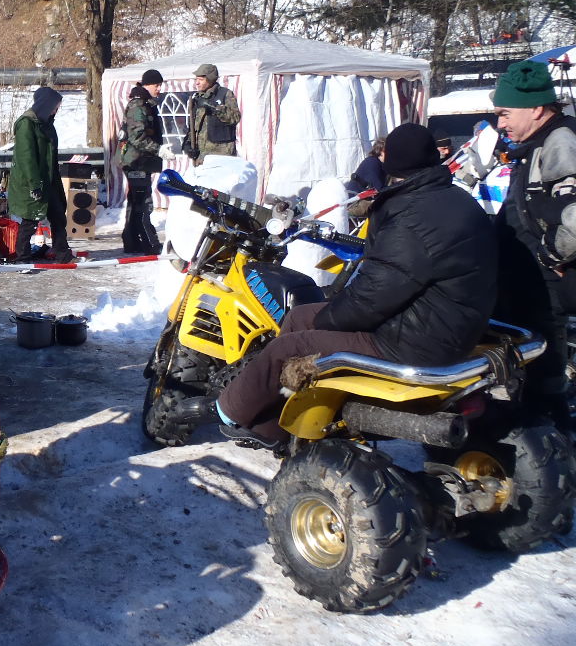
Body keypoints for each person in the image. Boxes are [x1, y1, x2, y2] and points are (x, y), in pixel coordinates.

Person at [187, 124, 498, 448]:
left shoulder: (412, 218)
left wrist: (327, 319)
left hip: (415, 341)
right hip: (445, 324)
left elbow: (371, 300)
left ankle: (228, 412)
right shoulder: (455, 199)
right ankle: (277, 419)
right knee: (298, 317)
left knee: (287, 348)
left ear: (392, 164)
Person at [492, 60, 576, 428]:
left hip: (546, 287)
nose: (500, 123)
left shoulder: (561, 142)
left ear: (537, 109)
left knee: (545, 373)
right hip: (527, 283)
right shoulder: (537, 143)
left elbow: (574, 217)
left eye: (505, 113)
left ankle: (552, 440)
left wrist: (548, 255)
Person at [7, 86, 73, 263]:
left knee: (58, 215)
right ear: (46, 104)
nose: (56, 110)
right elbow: (26, 156)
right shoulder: (27, 124)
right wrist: (34, 184)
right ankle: (22, 256)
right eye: (55, 106)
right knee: (31, 218)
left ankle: (62, 253)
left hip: (49, 179)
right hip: (32, 180)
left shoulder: (47, 124)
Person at [117, 69, 165, 255]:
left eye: (160, 85)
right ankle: (149, 243)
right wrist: (158, 149)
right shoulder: (139, 105)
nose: (159, 89)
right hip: (136, 161)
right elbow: (137, 137)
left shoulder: (145, 103)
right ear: (146, 85)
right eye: (156, 85)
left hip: (139, 160)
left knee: (136, 202)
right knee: (143, 203)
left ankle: (131, 241)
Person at [185, 63, 240, 161]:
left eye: (201, 80)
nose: (197, 83)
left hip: (221, 154)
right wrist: (188, 143)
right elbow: (193, 126)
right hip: (201, 156)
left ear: (210, 79)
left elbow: (235, 118)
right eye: (196, 79)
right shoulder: (197, 98)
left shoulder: (225, 94)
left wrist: (214, 107)